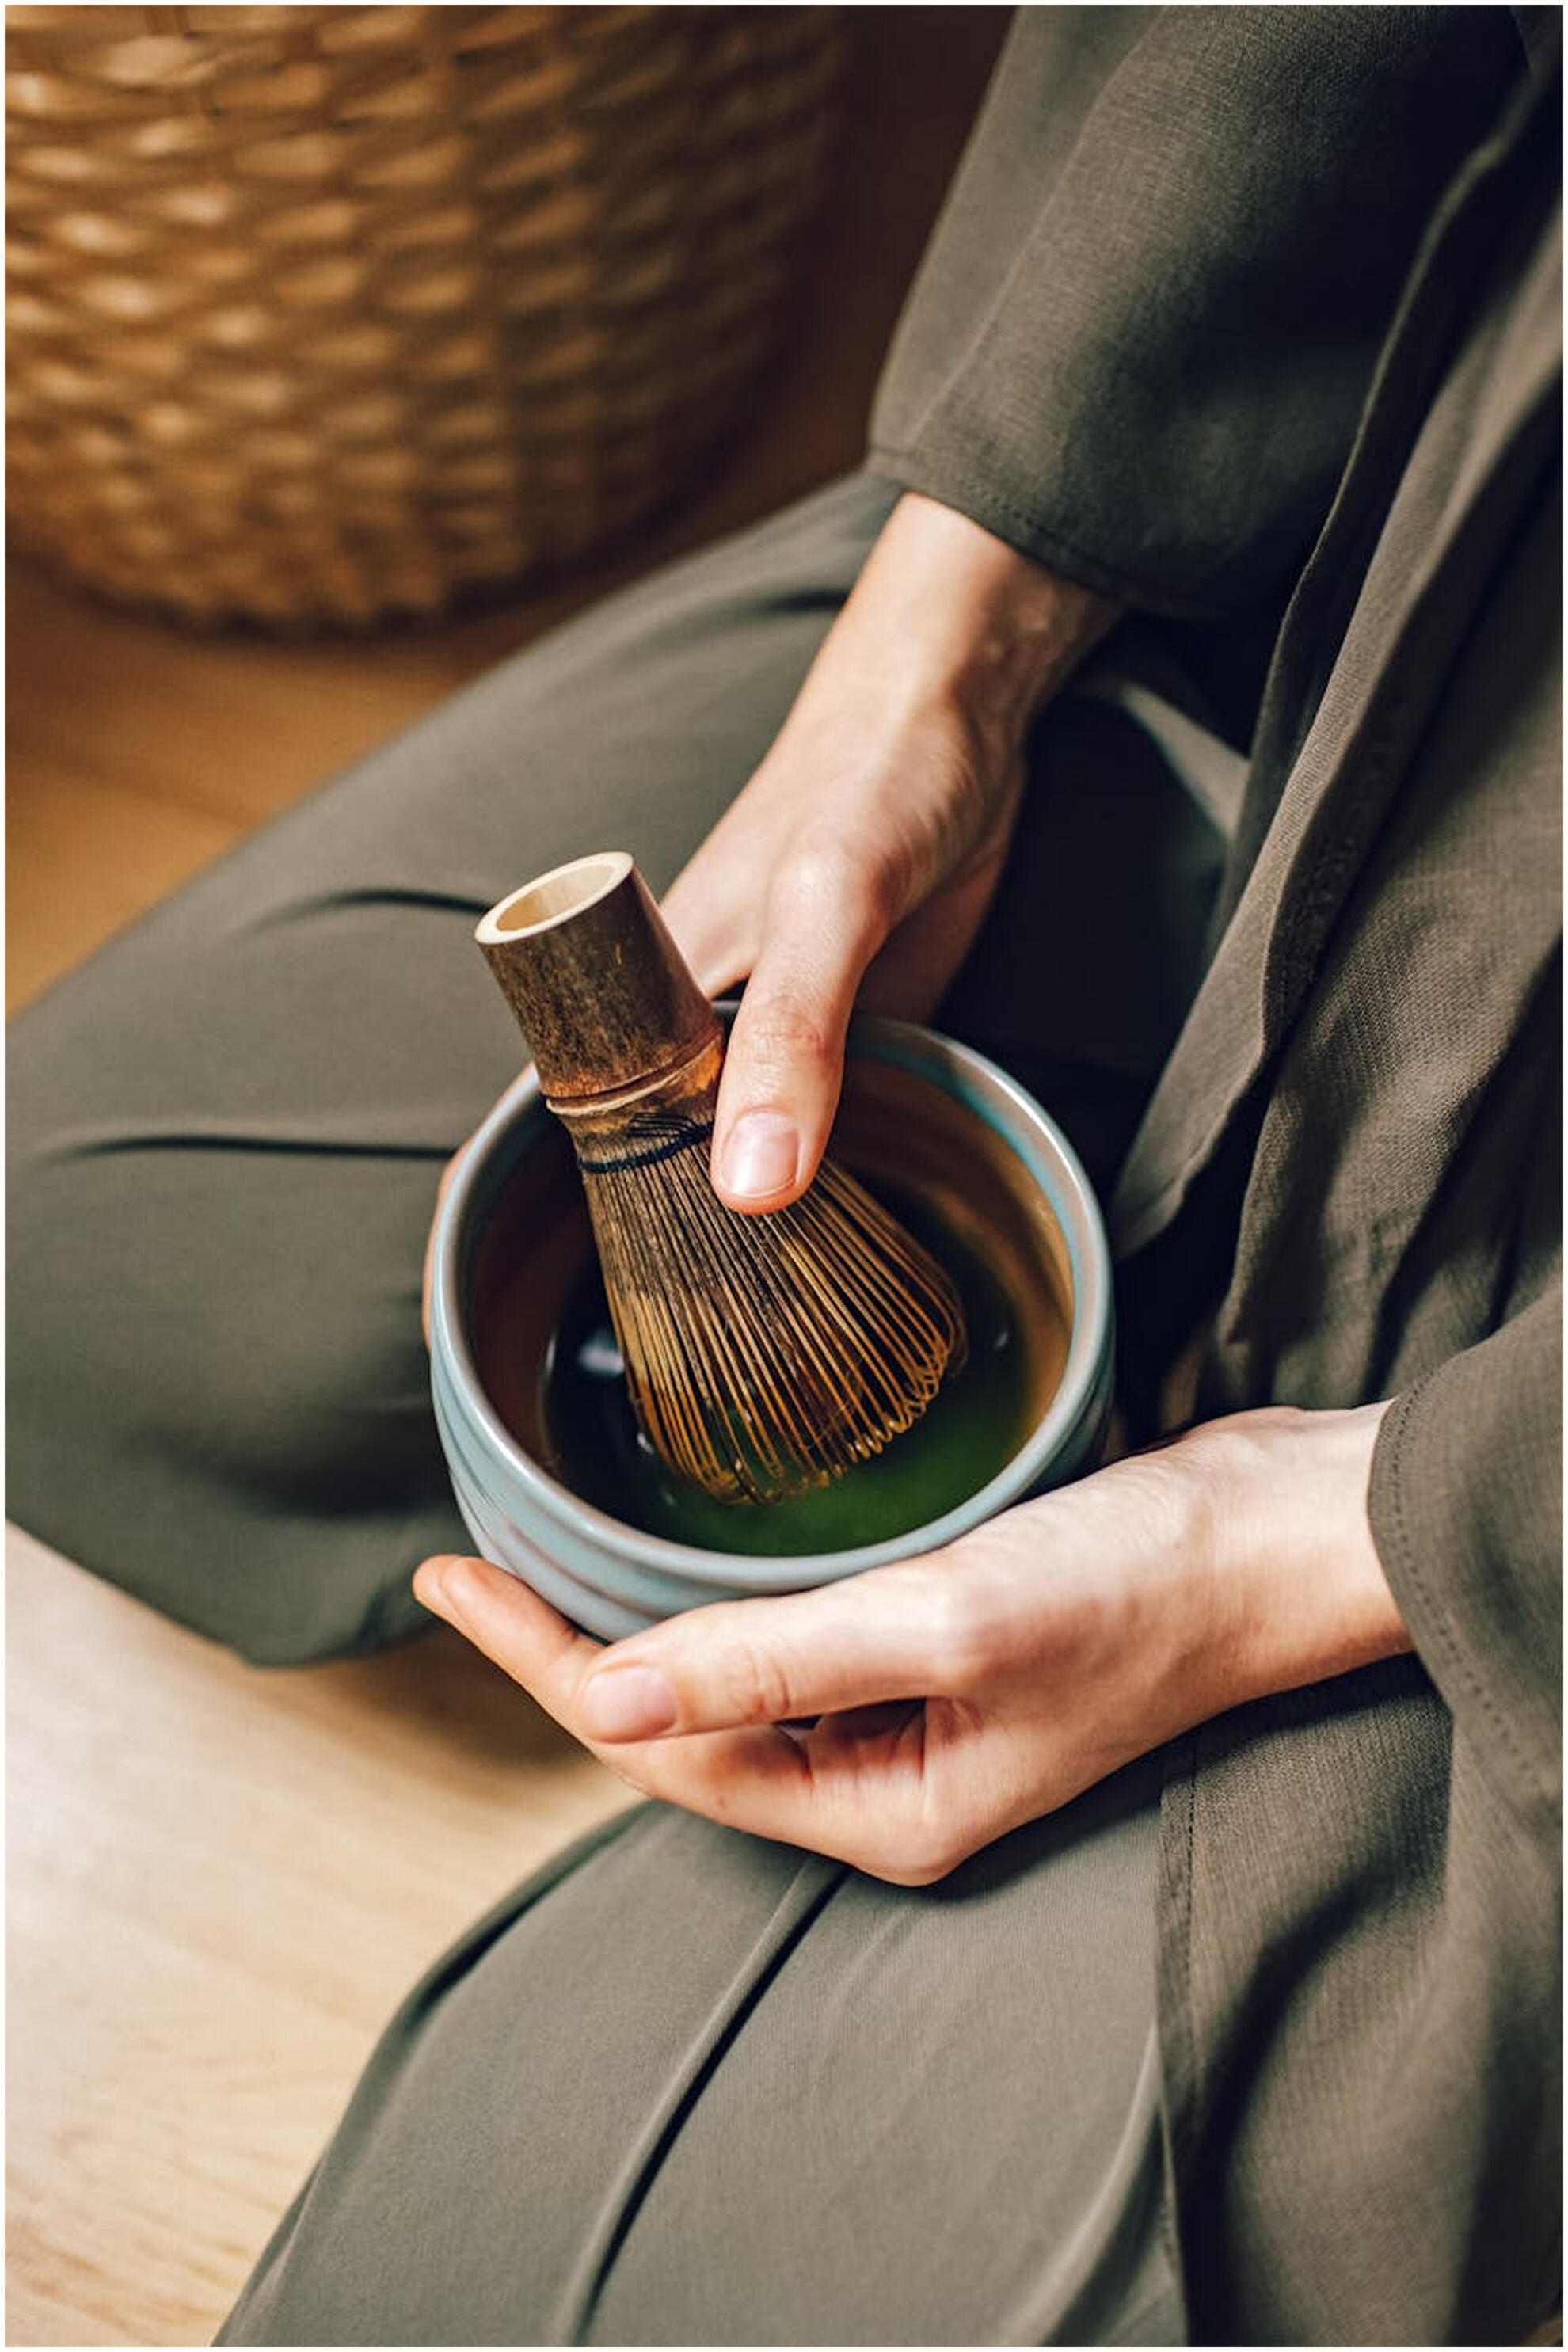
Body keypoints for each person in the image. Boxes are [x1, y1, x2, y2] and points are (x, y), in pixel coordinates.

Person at [8, 9, 1560, 2343]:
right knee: (93, 1245)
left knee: (506, 2289)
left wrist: (1320, 1530)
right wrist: (949, 635)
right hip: (1380, 530)